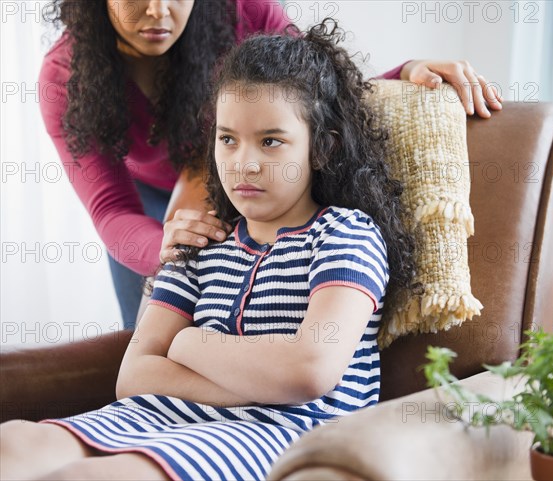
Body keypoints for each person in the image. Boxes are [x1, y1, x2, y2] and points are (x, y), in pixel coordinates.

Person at [1, 20, 422, 481]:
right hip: (156, 417)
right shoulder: (202, 243)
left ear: (321, 148)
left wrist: (188, 342)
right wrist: (255, 380)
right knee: (16, 443)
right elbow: (134, 376)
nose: (244, 162)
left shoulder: (345, 234)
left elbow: (308, 371)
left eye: (271, 141)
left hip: (272, 431)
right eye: (228, 139)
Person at [40, 0, 503, 330]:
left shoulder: (244, 10)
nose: (159, 10)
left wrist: (404, 72)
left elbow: (314, 88)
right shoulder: (64, 77)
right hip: (142, 199)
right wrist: (159, 246)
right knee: (142, 327)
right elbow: (111, 210)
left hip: (235, 174)